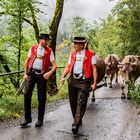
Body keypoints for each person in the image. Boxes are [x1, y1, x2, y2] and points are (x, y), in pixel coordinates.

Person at [60, 37, 97, 134]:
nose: (75, 45)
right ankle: (78, 119)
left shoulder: (90, 54)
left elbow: (94, 69)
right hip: (72, 79)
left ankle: (75, 124)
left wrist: (94, 83)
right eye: (75, 43)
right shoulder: (72, 54)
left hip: (84, 81)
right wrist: (63, 76)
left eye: (77, 44)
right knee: (72, 102)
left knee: (81, 101)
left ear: (82, 45)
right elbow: (68, 66)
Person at [20, 33, 57, 127]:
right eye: (45, 40)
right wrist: (25, 74)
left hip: (42, 75)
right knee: (27, 95)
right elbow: (27, 61)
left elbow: (54, 66)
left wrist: (49, 73)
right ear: (41, 40)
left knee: (41, 98)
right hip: (31, 74)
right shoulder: (33, 48)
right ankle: (27, 119)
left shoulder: (50, 51)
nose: (47, 42)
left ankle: (40, 119)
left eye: (48, 40)